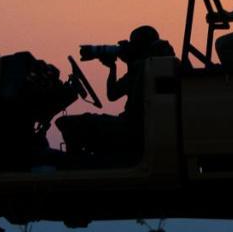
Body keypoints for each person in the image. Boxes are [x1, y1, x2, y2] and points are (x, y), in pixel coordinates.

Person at [55, 25, 174, 161]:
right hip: (130, 125)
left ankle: (75, 165)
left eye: (134, 44)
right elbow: (113, 95)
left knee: (69, 124)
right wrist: (113, 68)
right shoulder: (140, 67)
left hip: (132, 129)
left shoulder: (148, 67)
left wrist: (129, 61)